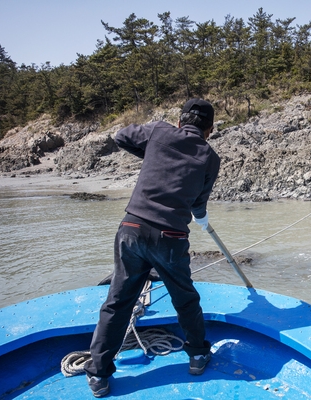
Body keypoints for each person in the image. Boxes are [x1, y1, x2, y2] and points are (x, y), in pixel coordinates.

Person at [83, 99, 221, 397]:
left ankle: (98, 374)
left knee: (118, 303)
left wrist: (151, 151)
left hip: (131, 229)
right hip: (171, 237)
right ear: (209, 129)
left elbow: (121, 136)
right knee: (185, 299)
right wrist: (201, 216)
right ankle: (197, 355)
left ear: (180, 120)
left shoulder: (158, 131)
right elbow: (198, 202)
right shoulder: (210, 157)